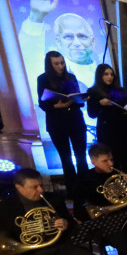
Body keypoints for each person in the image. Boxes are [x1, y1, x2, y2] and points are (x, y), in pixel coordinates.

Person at [37, 50, 88, 183]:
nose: (61, 66)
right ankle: (73, 190)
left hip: (75, 119)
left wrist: (78, 99)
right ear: (49, 65)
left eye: (62, 63)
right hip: (57, 122)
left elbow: (77, 97)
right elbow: (42, 102)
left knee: (81, 156)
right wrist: (56, 106)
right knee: (66, 158)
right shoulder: (43, 79)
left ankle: (86, 188)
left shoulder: (70, 76)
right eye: (56, 64)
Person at [86, 64, 127, 174]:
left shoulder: (119, 90)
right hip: (107, 131)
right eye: (106, 74)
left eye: (111, 74)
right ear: (100, 76)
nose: (110, 77)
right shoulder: (93, 91)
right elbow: (91, 113)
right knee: (111, 161)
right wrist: (100, 104)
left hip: (122, 128)